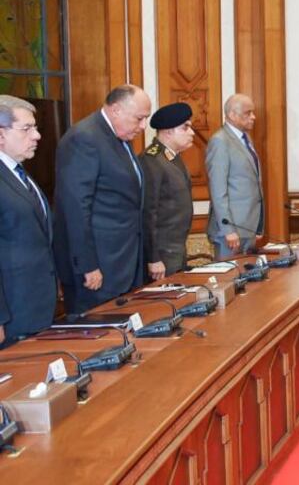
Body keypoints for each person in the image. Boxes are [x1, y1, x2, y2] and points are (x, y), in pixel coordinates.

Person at [54, 84, 150, 314]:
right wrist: (87, 265)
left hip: (125, 262)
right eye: (139, 118)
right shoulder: (84, 138)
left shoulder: (119, 137)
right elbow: (76, 207)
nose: (143, 126)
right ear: (116, 109)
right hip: (99, 269)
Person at [0, 96, 57, 346]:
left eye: (35, 127)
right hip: (12, 312)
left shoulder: (21, 174)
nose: (37, 136)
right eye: (26, 129)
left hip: (37, 305)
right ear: (1, 135)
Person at [140, 102, 195, 280]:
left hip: (176, 249)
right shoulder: (152, 160)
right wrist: (153, 258)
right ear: (168, 131)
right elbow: (148, 213)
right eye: (185, 127)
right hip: (162, 254)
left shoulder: (173, 158)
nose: (192, 132)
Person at [206, 94, 263, 258]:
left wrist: (257, 226)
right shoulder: (220, 141)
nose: (253, 117)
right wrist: (228, 230)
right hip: (231, 232)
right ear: (232, 115)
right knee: (229, 280)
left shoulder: (245, 139)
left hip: (247, 227)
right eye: (248, 113)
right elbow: (218, 190)